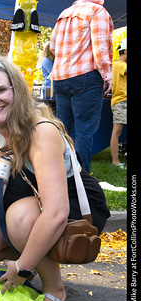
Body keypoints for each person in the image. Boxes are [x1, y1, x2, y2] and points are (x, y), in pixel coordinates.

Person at [0, 56, 110, 301]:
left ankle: (53, 287)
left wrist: (22, 267)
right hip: (23, 210)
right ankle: (32, 258)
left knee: (20, 217)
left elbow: (56, 212)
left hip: (72, 208)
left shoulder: (41, 132)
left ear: (16, 90)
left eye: (1, 90)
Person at [50, 0, 113, 173]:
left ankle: (62, 174)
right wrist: (108, 74)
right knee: (84, 130)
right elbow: (100, 48)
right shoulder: (97, 11)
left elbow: (53, 47)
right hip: (86, 75)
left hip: (61, 77)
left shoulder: (64, 13)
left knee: (64, 129)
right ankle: (82, 178)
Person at [110, 38, 127, 168]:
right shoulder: (121, 65)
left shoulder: (115, 65)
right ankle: (115, 161)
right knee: (117, 132)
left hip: (120, 101)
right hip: (122, 101)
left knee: (117, 132)